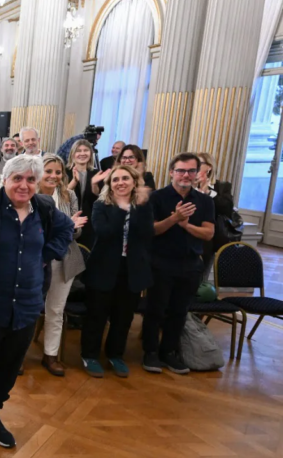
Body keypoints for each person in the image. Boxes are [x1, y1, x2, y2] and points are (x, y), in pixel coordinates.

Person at [0, 154, 75, 458]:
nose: (23, 185)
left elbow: (66, 231)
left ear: (37, 182)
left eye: (30, 179)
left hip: (26, 305)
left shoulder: (45, 208)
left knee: (9, 370)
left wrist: (47, 255)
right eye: (17, 179)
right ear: (5, 180)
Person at [143, 152, 214, 375]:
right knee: (155, 310)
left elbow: (208, 233)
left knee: (179, 311)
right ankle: (151, 352)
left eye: (191, 171)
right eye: (181, 170)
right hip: (161, 262)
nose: (186, 175)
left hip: (190, 265)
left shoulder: (204, 200)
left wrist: (185, 226)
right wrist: (174, 219)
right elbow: (151, 230)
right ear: (171, 172)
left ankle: (169, 352)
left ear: (197, 174)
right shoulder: (157, 197)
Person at [83, 165, 153, 378]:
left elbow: (147, 233)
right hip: (103, 267)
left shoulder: (143, 206)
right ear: (110, 185)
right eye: (115, 180)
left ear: (134, 182)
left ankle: (115, 355)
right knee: (96, 315)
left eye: (125, 178)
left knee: (123, 318)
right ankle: (89, 355)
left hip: (131, 269)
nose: (120, 182)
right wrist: (121, 209)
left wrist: (132, 209)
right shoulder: (101, 205)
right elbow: (104, 233)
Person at [36, 154, 88, 376]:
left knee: (56, 309)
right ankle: (17, 356)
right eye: (48, 171)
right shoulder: (29, 193)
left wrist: (72, 227)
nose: (54, 176)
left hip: (64, 259)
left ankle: (50, 355)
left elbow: (78, 231)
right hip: (34, 260)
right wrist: (67, 226)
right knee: (26, 308)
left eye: (58, 172)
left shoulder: (69, 195)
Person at [195, 152, 236, 272]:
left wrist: (208, 192)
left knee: (201, 275)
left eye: (199, 163)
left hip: (208, 238)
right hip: (186, 233)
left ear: (209, 167)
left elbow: (226, 207)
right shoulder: (186, 183)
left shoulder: (221, 187)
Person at [66, 139, 99, 247]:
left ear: (90, 153)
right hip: (68, 219)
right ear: (73, 154)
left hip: (89, 221)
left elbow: (98, 198)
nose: (82, 153)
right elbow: (62, 195)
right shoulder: (64, 171)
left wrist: (94, 184)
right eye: (79, 151)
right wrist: (74, 181)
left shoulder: (96, 173)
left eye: (86, 150)